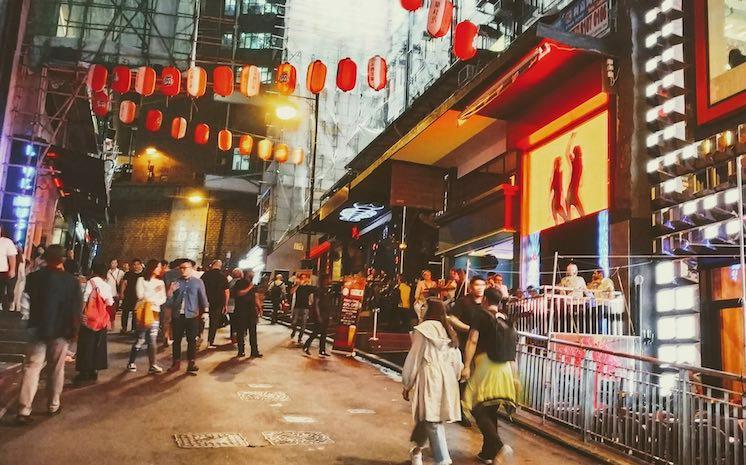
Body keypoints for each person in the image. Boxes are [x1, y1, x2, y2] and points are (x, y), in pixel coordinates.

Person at [15, 245, 81, 425]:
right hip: (61, 332)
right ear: (63, 260)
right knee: (56, 369)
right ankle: (53, 405)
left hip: (37, 329)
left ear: (45, 258)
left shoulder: (34, 277)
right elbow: (76, 311)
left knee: (31, 367)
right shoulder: (71, 282)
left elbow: (25, 304)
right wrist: (74, 333)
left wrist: (28, 324)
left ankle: (23, 410)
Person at [402, 298, 463, 465]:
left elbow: (415, 357)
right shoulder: (448, 329)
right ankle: (416, 451)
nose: (421, 308)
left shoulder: (423, 329)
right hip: (447, 375)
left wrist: (407, 384)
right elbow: (456, 358)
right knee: (430, 415)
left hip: (429, 375)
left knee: (431, 418)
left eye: (423, 306)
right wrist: (455, 377)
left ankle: (443, 459)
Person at [461, 288, 518, 463]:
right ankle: (488, 452)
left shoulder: (481, 315)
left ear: (485, 299)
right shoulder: (505, 318)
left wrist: (466, 366)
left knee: (476, 408)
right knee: (490, 410)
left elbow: (472, 340)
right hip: (506, 369)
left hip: (486, 366)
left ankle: (500, 447)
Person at [74, 262, 114, 384]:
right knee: (98, 344)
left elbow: (85, 300)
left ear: (93, 271)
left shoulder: (91, 283)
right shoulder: (106, 286)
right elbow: (110, 303)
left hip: (89, 319)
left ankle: (84, 372)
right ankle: (94, 370)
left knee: (86, 344)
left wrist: (80, 315)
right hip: (101, 319)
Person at [167, 259, 208, 373]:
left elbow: (203, 297)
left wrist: (205, 311)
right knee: (177, 340)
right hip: (178, 315)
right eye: (181, 268)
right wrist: (170, 290)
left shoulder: (198, 282)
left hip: (192, 315)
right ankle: (176, 363)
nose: (183, 270)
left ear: (191, 269)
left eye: (185, 268)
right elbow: (169, 300)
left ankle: (191, 362)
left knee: (192, 340)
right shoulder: (176, 282)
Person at [127, 259, 166, 373]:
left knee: (152, 340)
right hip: (143, 312)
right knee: (140, 339)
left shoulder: (160, 283)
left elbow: (162, 298)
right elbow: (140, 296)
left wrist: (152, 300)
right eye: (158, 267)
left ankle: (152, 365)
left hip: (154, 313)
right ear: (152, 268)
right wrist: (154, 293)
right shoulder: (141, 280)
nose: (160, 269)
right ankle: (131, 362)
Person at [232, 270, 262, 358]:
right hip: (241, 310)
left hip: (251, 311)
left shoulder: (253, 284)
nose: (253, 275)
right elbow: (239, 293)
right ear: (247, 274)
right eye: (252, 273)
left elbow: (256, 296)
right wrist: (249, 287)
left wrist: (259, 307)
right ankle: (241, 351)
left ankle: (254, 351)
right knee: (241, 332)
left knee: (253, 331)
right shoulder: (239, 283)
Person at [201, 260, 229, 348]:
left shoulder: (205, 275)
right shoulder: (223, 277)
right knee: (213, 322)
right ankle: (210, 341)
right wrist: (225, 304)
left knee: (202, 320)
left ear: (212, 265)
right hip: (217, 303)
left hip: (204, 301)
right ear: (220, 266)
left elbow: (200, 288)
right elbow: (226, 292)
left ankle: (199, 336)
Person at [303, 282, 331, 356]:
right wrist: (318, 315)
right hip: (320, 314)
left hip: (325, 314)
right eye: (326, 281)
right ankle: (306, 346)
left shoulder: (327, 291)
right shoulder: (319, 290)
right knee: (316, 332)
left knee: (324, 333)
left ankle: (322, 350)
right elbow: (316, 303)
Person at [119, 258, 144, 334]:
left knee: (135, 313)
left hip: (138, 297)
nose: (136, 266)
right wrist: (122, 293)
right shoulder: (128, 274)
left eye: (137, 264)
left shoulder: (143, 274)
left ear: (140, 265)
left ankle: (134, 328)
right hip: (128, 295)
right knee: (125, 312)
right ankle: (124, 328)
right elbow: (124, 283)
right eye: (134, 265)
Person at [290, 273, 315, 344]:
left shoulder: (308, 287)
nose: (303, 279)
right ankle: (294, 331)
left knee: (303, 323)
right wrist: (297, 285)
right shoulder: (297, 286)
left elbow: (311, 295)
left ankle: (300, 337)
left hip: (305, 307)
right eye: (302, 278)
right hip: (297, 306)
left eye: (304, 278)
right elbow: (291, 292)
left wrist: (311, 303)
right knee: (294, 322)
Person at [565, 132, 585, 219]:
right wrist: (571, 138)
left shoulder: (578, 163)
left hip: (573, 192)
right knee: (580, 215)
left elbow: (567, 153)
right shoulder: (576, 162)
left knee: (580, 215)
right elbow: (567, 153)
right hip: (572, 192)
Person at [0, 230, 16, 311]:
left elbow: (12, 257)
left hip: (2, 270)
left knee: (2, 289)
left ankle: (3, 304)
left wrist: (12, 269)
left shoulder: (7, 242)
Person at [550, 156, 569, 226]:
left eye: (559, 163)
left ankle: (564, 222)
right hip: (556, 198)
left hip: (557, 198)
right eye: (558, 163)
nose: (559, 164)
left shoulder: (558, 173)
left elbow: (558, 186)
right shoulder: (556, 173)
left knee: (559, 211)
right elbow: (554, 186)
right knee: (557, 211)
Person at [105, 259, 125, 326]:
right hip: (107, 294)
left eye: (114, 263)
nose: (113, 264)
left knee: (114, 310)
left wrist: (121, 292)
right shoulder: (107, 272)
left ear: (117, 264)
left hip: (115, 293)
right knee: (107, 309)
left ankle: (112, 324)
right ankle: (107, 323)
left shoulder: (120, 272)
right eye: (112, 263)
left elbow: (123, 282)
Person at [226, 268, 243, 343]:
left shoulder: (230, 282)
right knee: (239, 321)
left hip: (230, 303)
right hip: (238, 304)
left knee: (232, 321)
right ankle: (237, 336)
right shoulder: (241, 282)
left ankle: (232, 335)